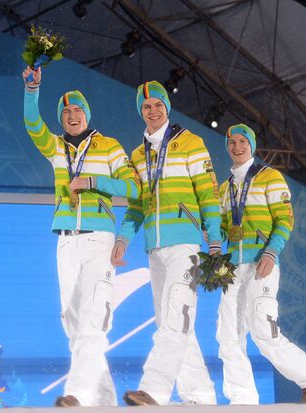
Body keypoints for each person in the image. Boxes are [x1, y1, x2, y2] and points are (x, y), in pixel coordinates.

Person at [22, 66, 141, 407]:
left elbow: (133, 187)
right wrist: (33, 91)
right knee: (72, 322)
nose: (72, 116)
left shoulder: (108, 147)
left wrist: (93, 182)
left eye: (77, 110)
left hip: (97, 239)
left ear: (86, 115)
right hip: (65, 240)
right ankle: (105, 401)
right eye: (66, 112)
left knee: (91, 320)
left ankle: (75, 393)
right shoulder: (56, 148)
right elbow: (33, 125)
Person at [111, 81, 221, 406]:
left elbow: (208, 193)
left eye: (158, 104)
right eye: (146, 107)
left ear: (167, 109)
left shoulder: (190, 143)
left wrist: (213, 237)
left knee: (176, 315)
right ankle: (200, 395)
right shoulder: (137, 155)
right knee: (172, 321)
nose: (153, 111)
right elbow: (135, 205)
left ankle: (154, 390)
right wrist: (122, 239)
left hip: (185, 243)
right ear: (141, 113)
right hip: (154, 248)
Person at [216, 124, 306, 404]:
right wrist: (214, 242)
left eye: (242, 141)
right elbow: (222, 227)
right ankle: (242, 399)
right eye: (232, 143)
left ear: (251, 146)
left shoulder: (270, 177)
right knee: (227, 336)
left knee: (263, 333)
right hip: (232, 269)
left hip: (260, 266)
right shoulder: (224, 188)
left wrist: (271, 253)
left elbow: (285, 220)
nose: (237, 147)